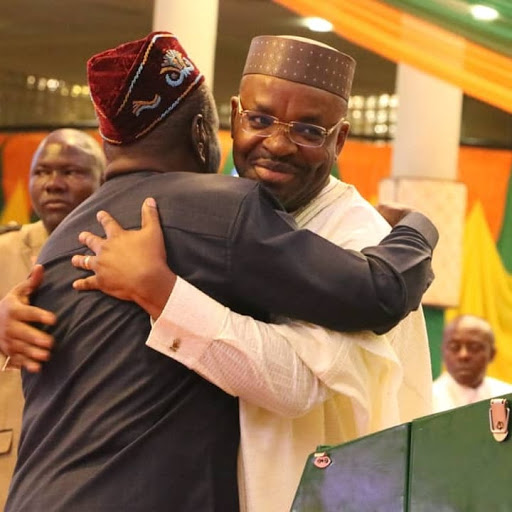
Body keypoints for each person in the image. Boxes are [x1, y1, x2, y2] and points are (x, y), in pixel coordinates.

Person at [1, 33, 437, 512]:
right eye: (260, 120)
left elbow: (299, 383)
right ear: (229, 118)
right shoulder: (210, 208)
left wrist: (163, 294)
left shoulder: (357, 232)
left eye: (309, 131)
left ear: (340, 140)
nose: (278, 145)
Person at [0, 128, 104, 510]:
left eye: (71, 172)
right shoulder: (4, 251)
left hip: (93, 457)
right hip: (11, 458)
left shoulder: (122, 255)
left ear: (104, 180)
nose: (53, 184)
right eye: (42, 172)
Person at [433, 315, 512, 412]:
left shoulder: (507, 396)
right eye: (454, 347)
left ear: (492, 354)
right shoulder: (427, 401)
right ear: (442, 352)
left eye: (474, 347)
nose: (463, 355)